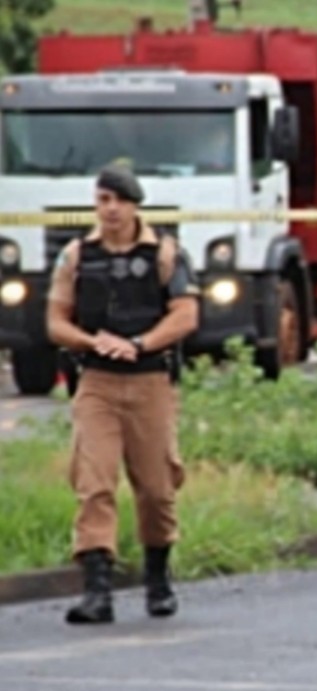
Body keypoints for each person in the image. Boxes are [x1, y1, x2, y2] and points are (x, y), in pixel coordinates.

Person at [46, 163, 200, 625]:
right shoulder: (78, 254)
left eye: (118, 201)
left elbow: (186, 315)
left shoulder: (165, 253)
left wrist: (138, 344)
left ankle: (157, 580)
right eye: (102, 200)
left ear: (135, 205)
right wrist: (91, 341)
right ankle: (98, 590)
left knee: (156, 488)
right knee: (94, 484)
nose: (110, 210)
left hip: (150, 379)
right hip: (96, 381)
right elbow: (55, 319)